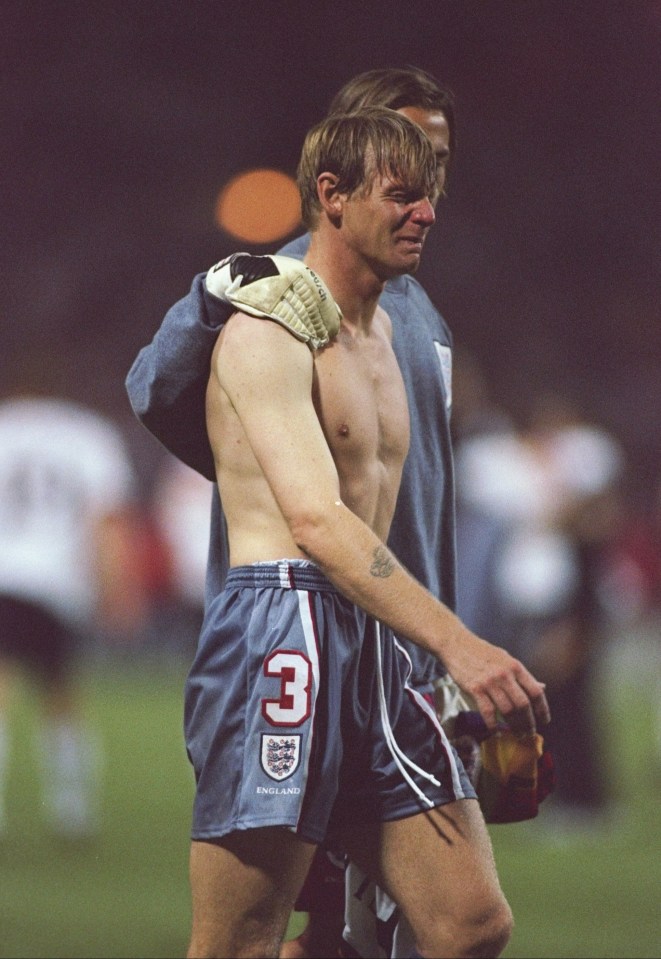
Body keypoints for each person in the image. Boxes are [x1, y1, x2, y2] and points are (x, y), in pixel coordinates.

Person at [123, 67, 525, 959]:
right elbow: (311, 511)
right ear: (333, 189)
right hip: (287, 627)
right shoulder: (262, 309)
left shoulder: (410, 324)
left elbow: (415, 500)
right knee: (248, 933)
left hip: (396, 641)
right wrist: (461, 641)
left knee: (466, 924)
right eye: (405, 185)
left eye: (437, 181)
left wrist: (440, 649)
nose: (429, 208)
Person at [0, 371, 140, 837]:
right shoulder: (87, 433)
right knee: (61, 695)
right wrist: (116, 589)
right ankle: (72, 811)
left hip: (5, 572)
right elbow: (105, 522)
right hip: (57, 583)